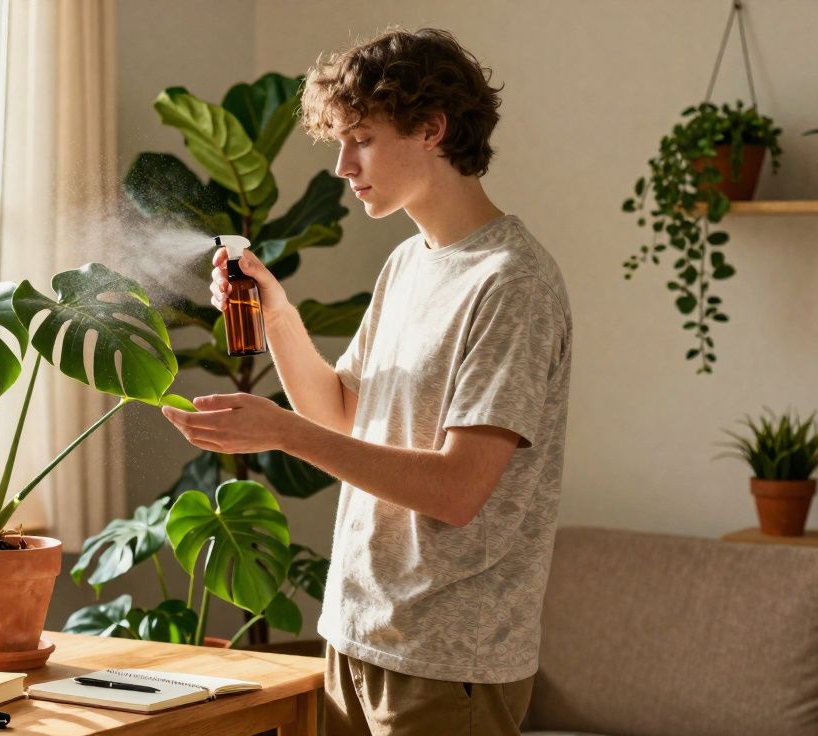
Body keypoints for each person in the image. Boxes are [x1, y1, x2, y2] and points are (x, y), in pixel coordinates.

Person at [160, 27, 573, 736]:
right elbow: (344, 412)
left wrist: (279, 432)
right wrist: (280, 316)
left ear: (432, 129)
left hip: (447, 662)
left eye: (362, 139)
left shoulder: (513, 284)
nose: (343, 166)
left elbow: (457, 489)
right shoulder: (409, 264)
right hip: (356, 638)